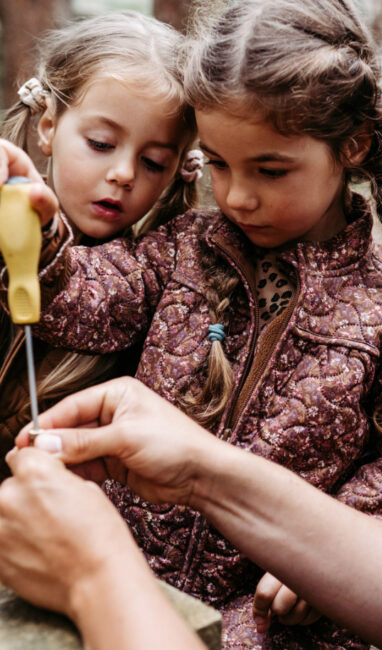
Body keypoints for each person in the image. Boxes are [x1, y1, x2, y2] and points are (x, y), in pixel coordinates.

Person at [0, 1, 382, 647]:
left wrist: (344, 539)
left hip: (274, 615)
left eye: (269, 170)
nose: (237, 196)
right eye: (218, 164)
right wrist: (39, 236)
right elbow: (91, 302)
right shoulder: (182, 248)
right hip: (134, 574)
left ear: (352, 146)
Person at [0, 10, 200, 479]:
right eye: (101, 143)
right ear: (49, 125)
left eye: (152, 162)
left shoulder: (153, 293)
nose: (124, 174)